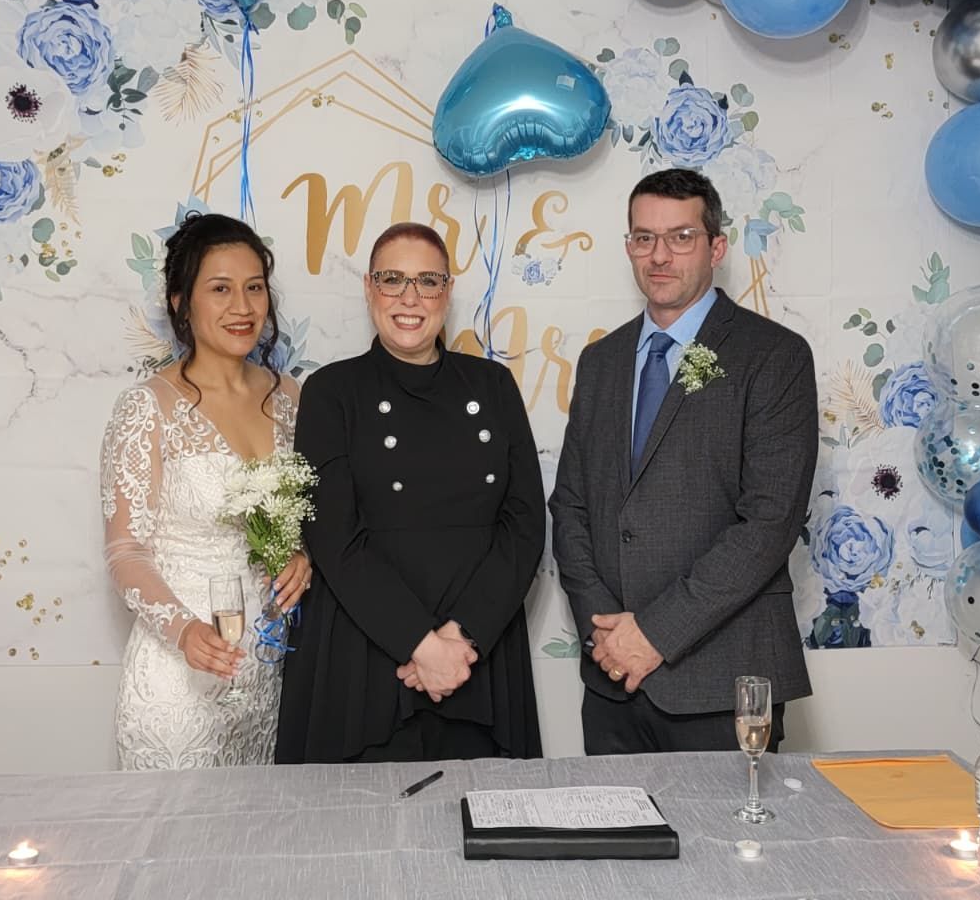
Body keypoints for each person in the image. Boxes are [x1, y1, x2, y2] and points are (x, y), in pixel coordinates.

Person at [550, 168, 818, 754]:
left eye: (681, 237)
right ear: (628, 247)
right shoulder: (601, 360)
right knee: (615, 845)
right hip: (613, 683)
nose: (659, 255)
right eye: (644, 238)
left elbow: (768, 525)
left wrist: (653, 635)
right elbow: (571, 505)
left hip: (722, 682)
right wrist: (607, 634)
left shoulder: (774, 357)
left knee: (734, 846)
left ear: (716, 247)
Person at [277, 222, 544, 763]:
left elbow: (524, 524)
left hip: (478, 654)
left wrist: (460, 640)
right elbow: (333, 536)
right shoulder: (332, 391)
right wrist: (423, 646)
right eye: (393, 279)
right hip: (364, 653)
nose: (409, 298)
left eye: (427, 281)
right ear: (369, 288)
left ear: (447, 291)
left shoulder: (492, 386)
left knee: (484, 830)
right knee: (361, 834)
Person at [101, 213, 312, 769]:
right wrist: (184, 631)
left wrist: (303, 555)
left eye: (254, 288)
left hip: (266, 673)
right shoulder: (146, 407)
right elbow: (125, 552)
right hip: (180, 673)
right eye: (220, 289)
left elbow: (309, 515)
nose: (242, 308)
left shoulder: (292, 396)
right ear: (180, 302)